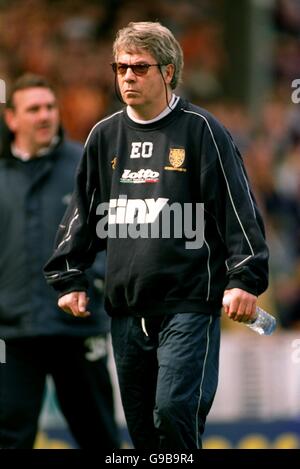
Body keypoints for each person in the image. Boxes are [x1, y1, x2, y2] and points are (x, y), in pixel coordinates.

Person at [44, 22, 269, 450]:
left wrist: (244, 279)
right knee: (144, 435)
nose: (127, 76)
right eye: (121, 67)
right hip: (126, 308)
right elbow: (81, 213)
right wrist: (70, 275)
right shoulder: (103, 136)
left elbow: (238, 210)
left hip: (188, 304)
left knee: (173, 411)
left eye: (139, 68)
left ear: (168, 72)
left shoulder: (202, 130)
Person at [0, 73, 120, 449]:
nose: (44, 116)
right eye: (33, 109)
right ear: (11, 119)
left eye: (49, 107)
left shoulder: (86, 163)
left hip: (78, 328)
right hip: (13, 332)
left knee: (99, 437)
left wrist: (94, 281)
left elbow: (117, 234)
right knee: (9, 438)